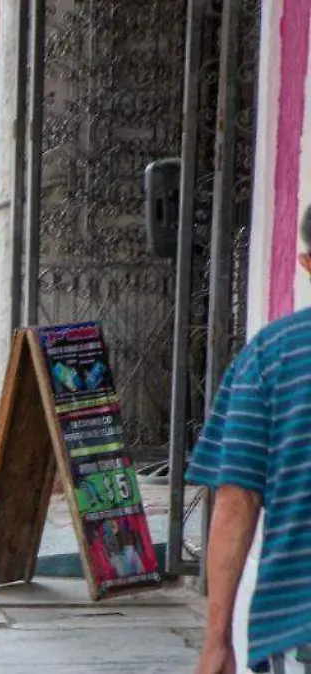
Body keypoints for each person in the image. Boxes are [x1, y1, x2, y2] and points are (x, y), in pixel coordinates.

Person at [188, 207, 311, 674]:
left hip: (297, 619)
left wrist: (217, 641)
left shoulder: (269, 357)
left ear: (306, 264)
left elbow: (237, 502)